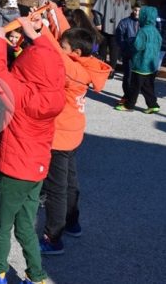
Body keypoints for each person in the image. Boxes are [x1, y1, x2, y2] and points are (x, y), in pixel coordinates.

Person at [0, 16, 66, 284]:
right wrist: (36, 35)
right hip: (37, 168)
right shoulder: (55, 92)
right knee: (27, 224)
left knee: (3, 224)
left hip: (15, 168)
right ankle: (37, 275)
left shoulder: (21, 94)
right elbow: (52, 58)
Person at [39, 27, 110, 256]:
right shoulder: (86, 64)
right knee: (69, 180)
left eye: (65, 46)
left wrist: (39, 29)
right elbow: (65, 40)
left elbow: (54, 52)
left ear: (76, 52)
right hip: (73, 132)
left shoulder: (73, 70)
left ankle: (54, 237)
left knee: (57, 189)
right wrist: (53, 12)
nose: (61, 48)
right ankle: (72, 222)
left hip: (60, 137)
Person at [116, 6, 162, 113]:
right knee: (147, 86)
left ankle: (129, 105)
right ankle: (153, 105)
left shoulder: (143, 31)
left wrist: (131, 42)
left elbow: (137, 46)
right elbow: (160, 43)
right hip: (151, 65)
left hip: (140, 64)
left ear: (144, 17)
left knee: (134, 87)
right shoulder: (155, 30)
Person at [92, 0, 132, 77]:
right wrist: (98, 23)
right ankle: (102, 69)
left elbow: (128, 13)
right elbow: (96, 9)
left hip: (118, 29)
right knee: (102, 49)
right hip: (104, 27)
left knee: (115, 50)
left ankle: (111, 71)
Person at [115, 1, 142, 102]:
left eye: (139, 10)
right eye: (135, 10)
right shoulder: (125, 22)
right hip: (128, 54)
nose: (137, 12)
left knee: (139, 77)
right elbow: (119, 37)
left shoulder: (144, 23)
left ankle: (134, 96)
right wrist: (124, 48)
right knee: (128, 76)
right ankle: (126, 96)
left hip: (140, 54)